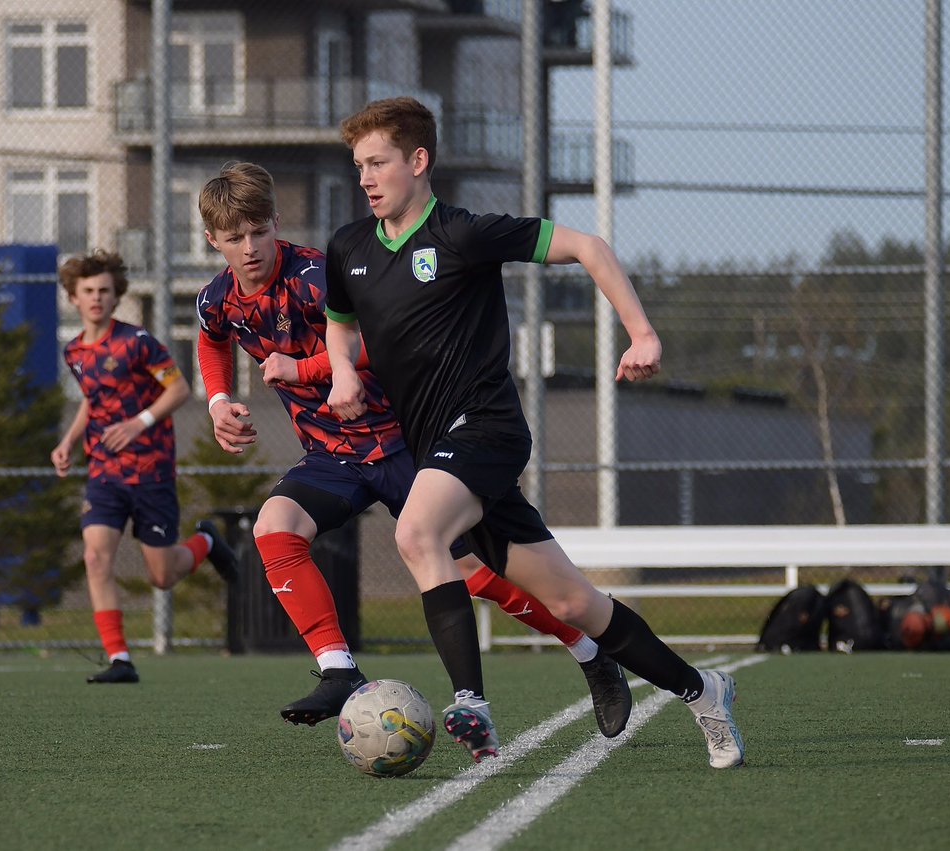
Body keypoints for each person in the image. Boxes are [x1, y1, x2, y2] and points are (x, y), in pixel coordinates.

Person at [324, 97, 745, 768]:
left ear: (419, 161)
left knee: (415, 532)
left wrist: (642, 333)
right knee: (575, 600)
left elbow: (588, 246)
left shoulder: (463, 234)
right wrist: (342, 370)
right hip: (440, 449)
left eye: (378, 163)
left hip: (488, 429)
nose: (366, 178)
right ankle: (703, 689)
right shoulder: (349, 246)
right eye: (358, 166)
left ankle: (471, 701)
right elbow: (339, 320)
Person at [195, 161, 632, 736]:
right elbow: (211, 338)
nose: (250, 247)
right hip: (334, 455)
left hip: (407, 441)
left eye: (259, 231)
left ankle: (589, 652)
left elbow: (378, 341)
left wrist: (301, 368)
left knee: (478, 574)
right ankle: (339, 670)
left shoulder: (316, 277)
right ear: (212, 240)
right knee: (274, 527)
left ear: (276, 221)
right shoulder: (217, 298)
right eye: (234, 238)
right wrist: (219, 400)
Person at [52, 249, 238, 684]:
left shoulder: (137, 341)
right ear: (74, 298)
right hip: (104, 473)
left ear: (116, 296)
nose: (97, 298)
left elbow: (179, 389)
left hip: (151, 470)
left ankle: (206, 542)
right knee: (96, 558)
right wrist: (68, 441)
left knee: (162, 576)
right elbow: (92, 402)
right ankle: (120, 659)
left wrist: (140, 423)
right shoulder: (74, 351)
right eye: (88, 292)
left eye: (104, 290)